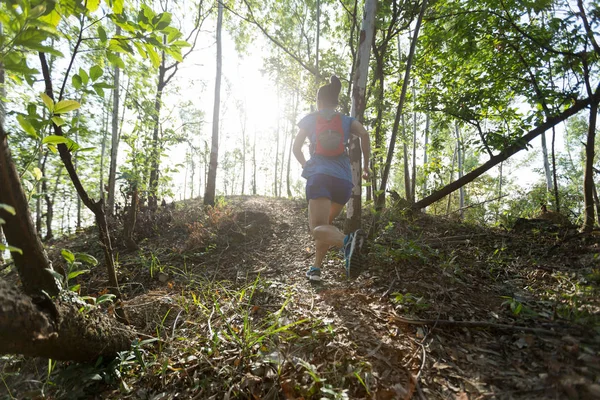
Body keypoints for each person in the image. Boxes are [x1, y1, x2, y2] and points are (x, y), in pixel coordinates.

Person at [292, 75, 371, 282]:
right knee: (325, 225)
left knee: (317, 229)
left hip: (320, 176)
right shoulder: (346, 120)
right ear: (336, 102)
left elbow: (296, 147)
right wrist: (366, 165)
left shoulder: (310, 119)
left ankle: (348, 242)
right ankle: (316, 268)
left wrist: (304, 164)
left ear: (319, 101)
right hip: (344, 181)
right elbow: (364, 134)